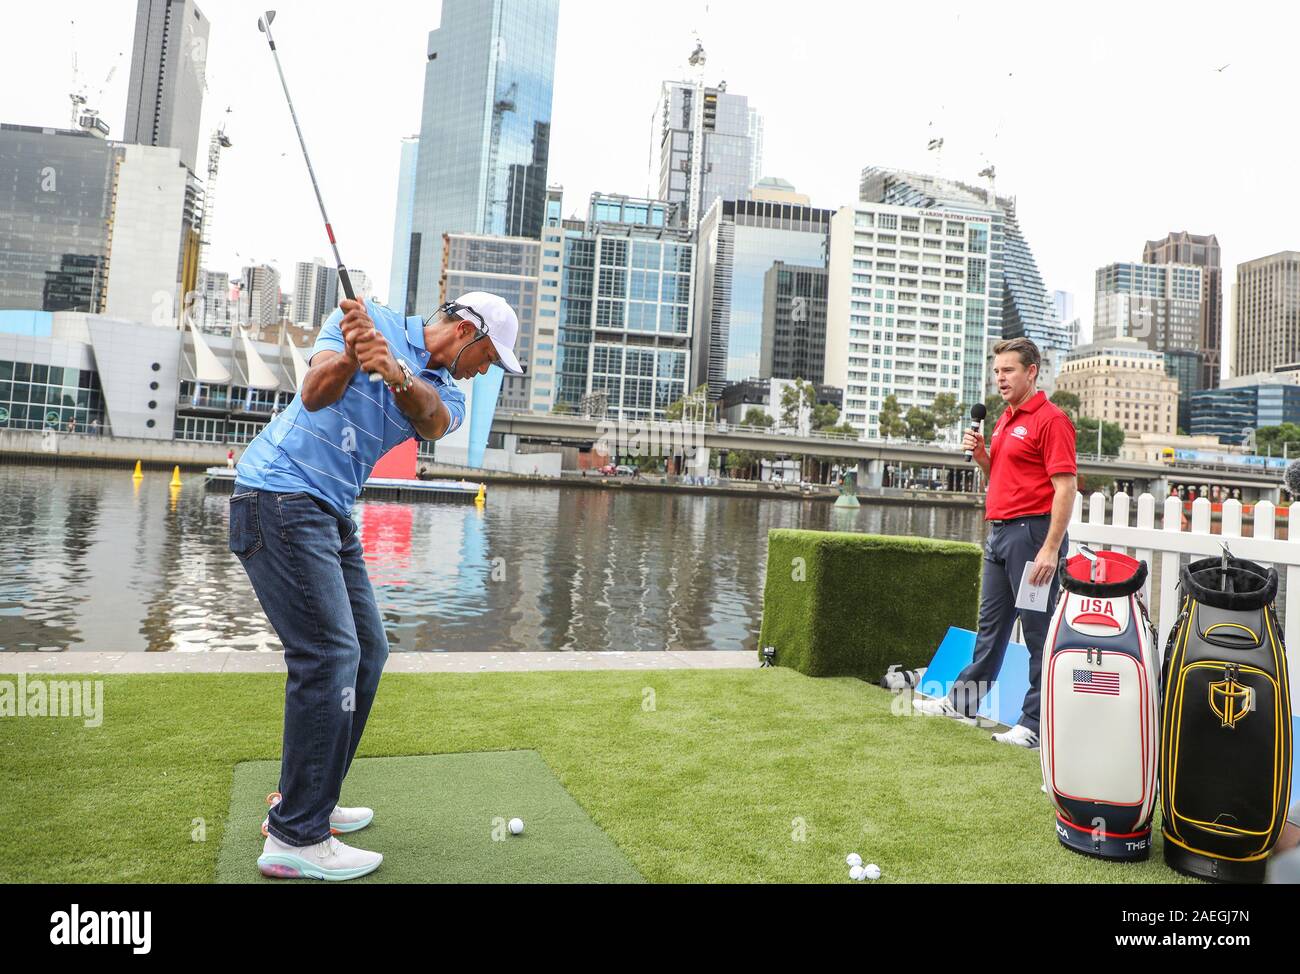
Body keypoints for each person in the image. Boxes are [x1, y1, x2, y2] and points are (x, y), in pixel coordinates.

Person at [229, 292, 523, 881]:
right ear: (467, 330)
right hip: (280, 496)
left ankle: (309, 800)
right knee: (329, 654)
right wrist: (349, 351)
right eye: (489, 355)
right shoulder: (366, 320)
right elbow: (315, 393)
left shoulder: (449, 387)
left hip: (330, 512)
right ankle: (296, 837)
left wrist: (394, 370)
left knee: (368, 652)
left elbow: (432, 419)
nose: (486, 369)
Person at [914, 337, 1078, 750]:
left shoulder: (1051, 420)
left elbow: (1066, 488)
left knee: (1038, 632)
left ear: (1032, 371)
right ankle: (963, 704)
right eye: (997, 371)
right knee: (991, 630)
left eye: (1008, 370)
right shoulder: (1005, 419)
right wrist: (985, 456)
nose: (1000, 378)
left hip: (1032, 536)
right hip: (1000, 534)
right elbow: (1003, 477)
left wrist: (1050, 548)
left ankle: (1034, 724)